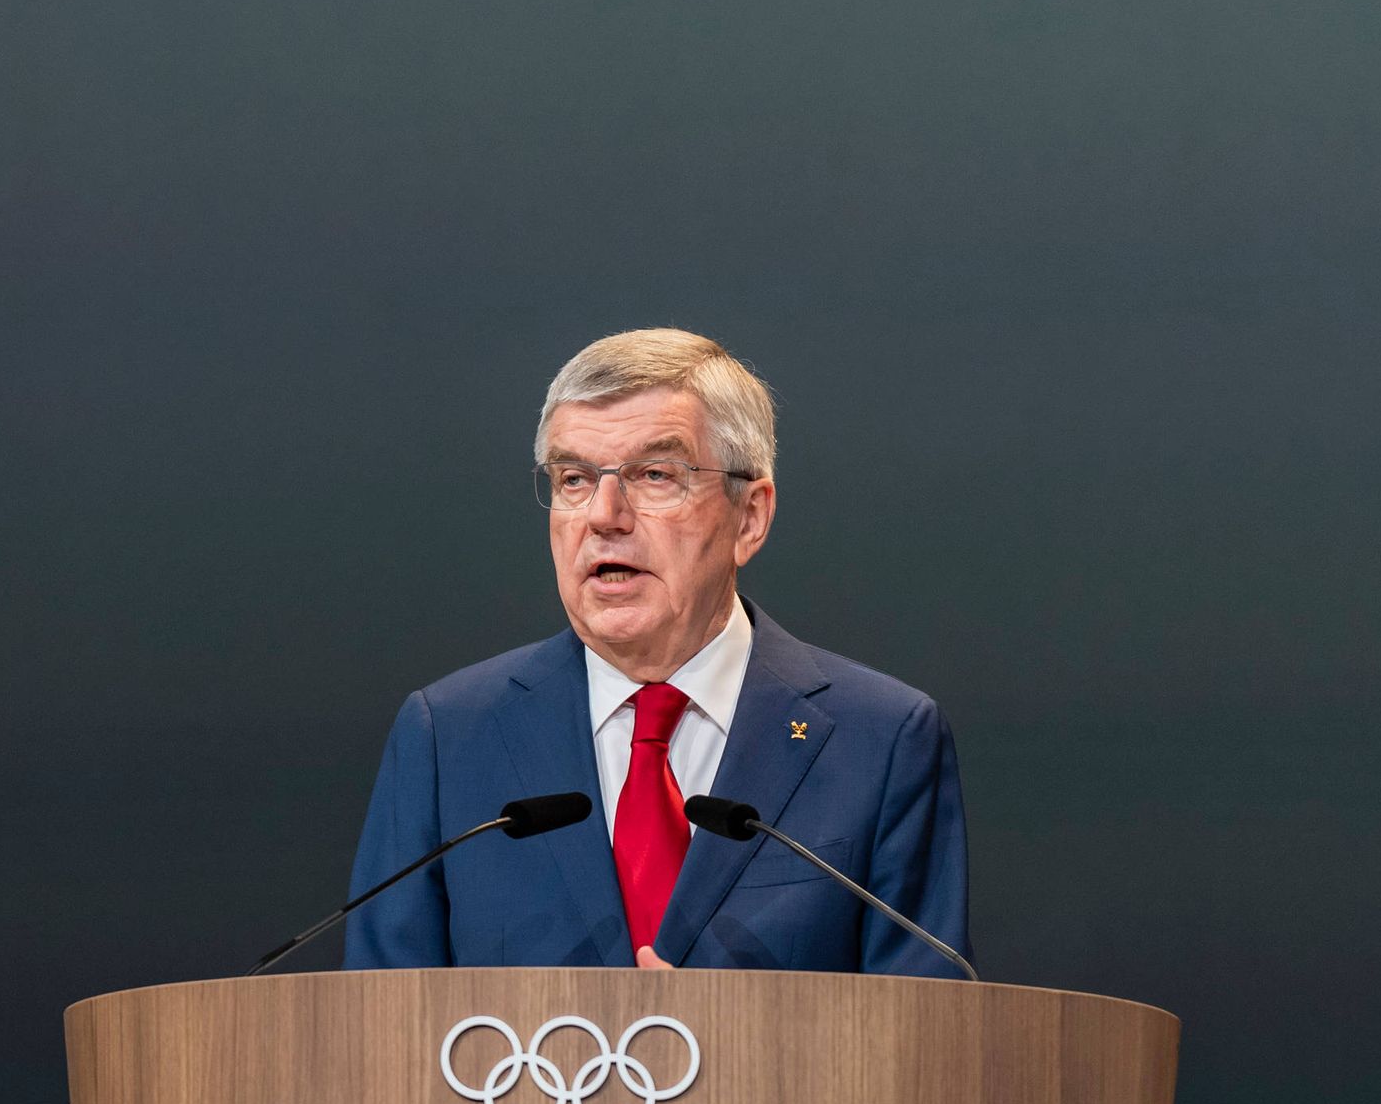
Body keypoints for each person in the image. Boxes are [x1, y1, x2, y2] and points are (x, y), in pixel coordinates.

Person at [343, 329, 971, 973]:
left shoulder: (882, 740)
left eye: (653, 475)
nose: (604, 515)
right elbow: (379, 1031)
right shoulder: (449, 736)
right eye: (574, 479)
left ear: (749, 516)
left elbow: (924, 1041)